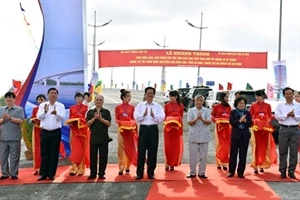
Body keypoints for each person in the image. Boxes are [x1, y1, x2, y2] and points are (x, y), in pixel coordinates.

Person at [134, 87, 165, 180]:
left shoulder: (158, 106)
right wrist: (143, 115)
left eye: (151, 93)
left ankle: (150, 172)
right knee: (141, 151)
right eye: (148, 93)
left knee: (152, 152)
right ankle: (139, 173)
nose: (150, 95)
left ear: (154, 95)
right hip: (143, 129)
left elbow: (162, 117)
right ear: (145, 94)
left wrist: (153, 115)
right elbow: (136, 117)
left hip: (153, 129)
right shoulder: (140, 106)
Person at [36, 88, 65, 181]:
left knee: (53, 154)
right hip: (44, 132)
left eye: (55, 93)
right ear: (48, 95)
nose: (53, 95)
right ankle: (43, 174)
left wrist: (56, 114)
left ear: (57, 95)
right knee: (44, 153)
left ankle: (51, 174)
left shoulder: (60, 106)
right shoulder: (43, 105)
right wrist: (45, 111)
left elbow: (61, 118)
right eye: (51, 93)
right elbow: (38, 117)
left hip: (55, 132)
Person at [275, 87, 300, 179]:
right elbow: (277, 116)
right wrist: (286, 115)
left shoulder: (298, 105)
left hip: (295, 129)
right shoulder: (280, 105)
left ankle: (291, 171)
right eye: (287, 94)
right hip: (284, 129)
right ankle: (282, 171)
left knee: (294, 152)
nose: (289, 95)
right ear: (284, 95)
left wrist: (294, 115)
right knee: (283, 150)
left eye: (290, 93)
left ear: (293, 94)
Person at [249, 90, 277, 174]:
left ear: (263, 96)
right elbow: (250, 117)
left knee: (264, 147)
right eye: (256, 96)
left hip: (265, 130)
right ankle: (256, 165)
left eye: (259, 96)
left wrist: (268, 121)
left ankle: (263, 164)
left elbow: (269, 117)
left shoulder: (268, 105)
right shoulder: (253, 106)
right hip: (256, 129)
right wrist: (255, 121)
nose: (258, 98)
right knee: (256, 147)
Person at [86, 95, 111, 179]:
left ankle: (101, 174)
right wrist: (94, 118)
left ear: (103, 101)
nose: (99, 101)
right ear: (95, 101)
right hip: (93, 138)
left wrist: (101, 119)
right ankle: (93, 174)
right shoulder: (90, 112)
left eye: (100, 100)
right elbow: (87, 124)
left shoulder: (106, 112)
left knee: (103, 157)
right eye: (97, 100)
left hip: (104, 138)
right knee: (93, 157)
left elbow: (109, 124)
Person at [0, 92, 24, 180]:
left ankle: (14, 173)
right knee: (3, 157)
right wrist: (3, 119)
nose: (8, 99)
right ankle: (4, 173)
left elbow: (21, 120)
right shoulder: (1, 109)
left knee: (14, 156)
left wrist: (10, 118)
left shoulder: (19, 109)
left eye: (10, 97)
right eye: (7, 98)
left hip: (15, 137)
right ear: (5, 99)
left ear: (14, 99)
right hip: (2, 138)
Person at [186, 95, 211, 179]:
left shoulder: (207, 110)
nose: (199, 102)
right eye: (197, 101)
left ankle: (202, 172)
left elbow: (209, 121)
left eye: (201, 100)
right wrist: (197, 118)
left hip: (204, 135)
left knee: (203, 156)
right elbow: (189, 122)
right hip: (194, 135)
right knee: (193, 156)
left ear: (203, 101)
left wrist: (202, 119)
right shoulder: (191, 110)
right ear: (195, 101)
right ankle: (192, 172)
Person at [227, 96, 252, 178]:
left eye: (243, 103)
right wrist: (239, 121)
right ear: (236, 104)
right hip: (235, 135)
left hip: (244, 136)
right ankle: (231, 171)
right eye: (240, 103)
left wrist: (245, 121)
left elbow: (250, 123)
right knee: (233, 154)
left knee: (243, 155)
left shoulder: (247, 113)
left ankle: (241, 172)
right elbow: (231, 122)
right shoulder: (233, 112)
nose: (241, 105)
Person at [65, 92, 89, 176]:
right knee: (74, 148)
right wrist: (72, 122)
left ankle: (81, 168)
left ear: (83, 98)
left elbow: (87, 119)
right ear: (75, 99)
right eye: (77, 97)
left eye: (80, 97)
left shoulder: (86, 107)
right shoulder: (72, 107)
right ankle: (74, 168)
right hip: (74, 131)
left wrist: (80, 120)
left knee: (82, 149)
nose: (78, 98)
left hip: (82, 131)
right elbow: (70, 118)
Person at [115, 89, 138, 175]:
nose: (129, 98)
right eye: (128, 96)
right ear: (123, 97)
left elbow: (133, 118)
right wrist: (121, 123)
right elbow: (116, 119)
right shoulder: (118, 107)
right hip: (121, 130)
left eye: (130, 96)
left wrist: (131, 123)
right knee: (121, 148)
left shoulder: (132, 107)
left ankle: (128, 166)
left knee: (129, 147)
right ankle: (121, 167)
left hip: (129, 130)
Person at [164, 90, 184, 171]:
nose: (171, 98)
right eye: (170, 96)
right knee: (168, 146)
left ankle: (173, 163)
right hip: (168, 129)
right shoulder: (167, 105)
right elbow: (164, 117)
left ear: (176, 97)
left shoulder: (181, 106)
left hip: (176, 129)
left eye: (172, 96)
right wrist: (170, 119)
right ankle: (167, 163)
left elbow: (181, 117)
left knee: (175, 146)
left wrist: (176, 118)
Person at [211, 92, 231, 171]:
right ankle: (219, 162)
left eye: (227, 97)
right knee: (219, 144)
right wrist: (216, 120)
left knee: (227, 145)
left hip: (227, 128)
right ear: (222, 98)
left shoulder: (229, 107)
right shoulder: (217, 106)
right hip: (219, 128)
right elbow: (212, 116)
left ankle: (225, 163)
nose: (227, 98)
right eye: (226, 97)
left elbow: (231, 116)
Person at [31, 94, 46, 175]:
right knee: (37, 149)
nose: (40, 101)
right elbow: (32, 118)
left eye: (42, 99)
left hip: (45, 130)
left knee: (45, 149)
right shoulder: (35, 109)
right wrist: (34, 121)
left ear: (45, 100)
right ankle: (37, 168)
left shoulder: (47, 108)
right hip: (37, 130)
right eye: (39, 100)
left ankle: (45, 168)